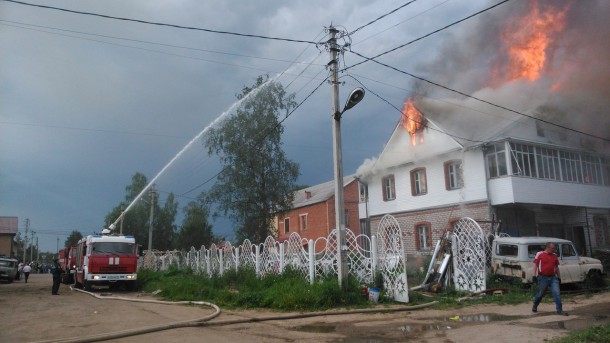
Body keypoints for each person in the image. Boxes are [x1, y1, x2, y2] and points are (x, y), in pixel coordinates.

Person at [532, 242, 567, 315]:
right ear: (547, 247)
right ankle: (535, 304)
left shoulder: (554, 256)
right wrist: (534, 275)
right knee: (540, 293)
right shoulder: (539, 254)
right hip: (543, 277)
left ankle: (559, 310)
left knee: (556, 293)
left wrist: (559, 277)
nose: (553, 250)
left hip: (553, 277)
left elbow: (556, 267)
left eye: (554, 248)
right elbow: (535, 265)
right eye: (552, 248)